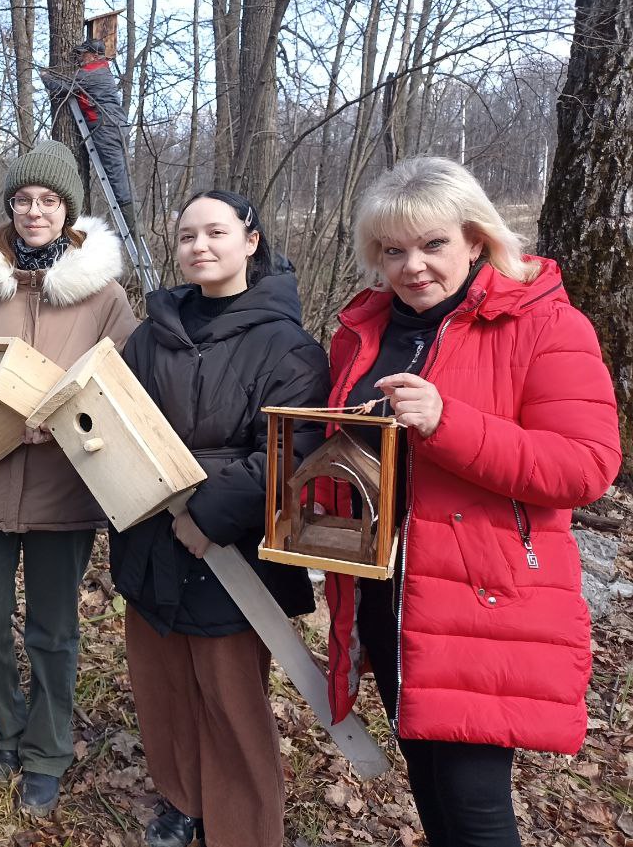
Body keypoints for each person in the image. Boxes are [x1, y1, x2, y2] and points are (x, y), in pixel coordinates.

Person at [324, 157, 621, 846]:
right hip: (389, 592)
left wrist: (447, 422)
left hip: (484, 602)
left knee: (475, 807)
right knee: (428, 783)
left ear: (476, 239)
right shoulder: (366, 328)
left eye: (433, 245)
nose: (413, 266)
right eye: (393, 251)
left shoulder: (545, 323)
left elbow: (587, 465)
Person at [0, 139, 138, 816]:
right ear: (10, 208)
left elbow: (126, 392)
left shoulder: (104, 298)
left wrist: (65, 416)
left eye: (47, 200)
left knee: (53, 629)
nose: (34, 210)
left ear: (68, 211)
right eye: (23, 199)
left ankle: (47, 751)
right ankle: (7, 730)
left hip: (63, 491)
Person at [111, 190, 329, 847]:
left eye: (215, 232)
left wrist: (209, 513)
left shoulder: (289, 346)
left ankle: (244, 829)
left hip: (236, 551)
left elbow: (292, 451)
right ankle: (182, 799)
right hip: (150, 537)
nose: (200, 246)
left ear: (250, 240)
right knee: (163, 686)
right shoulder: (151, 335)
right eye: (187, 236)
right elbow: (120, 421)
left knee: (230, 700)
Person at [40, 38, 138, 238]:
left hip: (106, 127)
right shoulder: (98, 71)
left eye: (83, 55)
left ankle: (132, 229)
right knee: (117, 174)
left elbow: (62, 88)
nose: (79, 59)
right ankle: (132, 227)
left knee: (115, 175)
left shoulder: (94, 71)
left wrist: (44, 77)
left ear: (93, 55)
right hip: (111, 126)